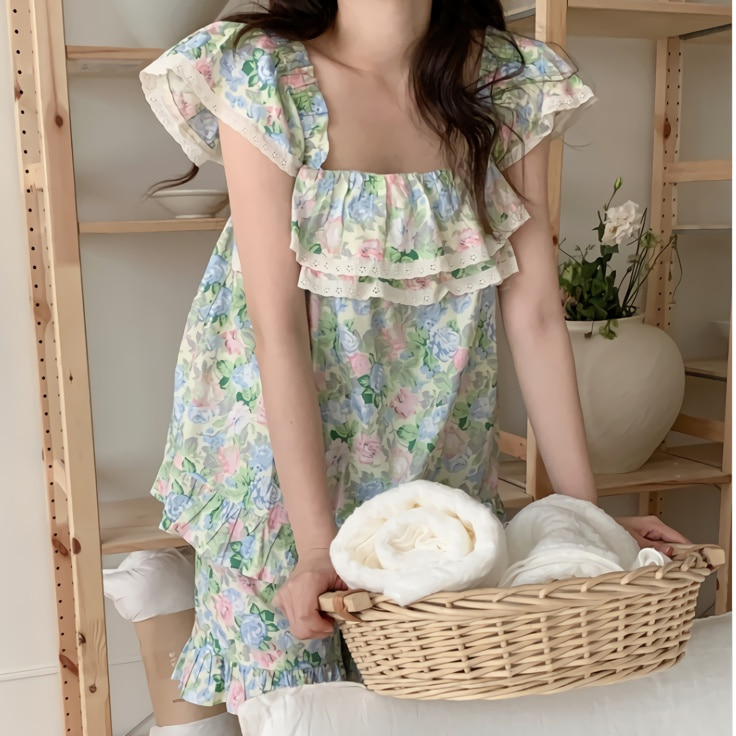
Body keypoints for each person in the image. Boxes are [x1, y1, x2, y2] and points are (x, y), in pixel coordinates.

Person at [139, 0, 690, 715]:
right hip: (281, 457)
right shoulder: (264, 73)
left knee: (423, 697)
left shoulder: (507, 81)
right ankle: (165, 622)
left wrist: (586, 523)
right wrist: (317, 550)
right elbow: (277, 328)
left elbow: (535, 315)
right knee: (296, 703)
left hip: (434, 463)